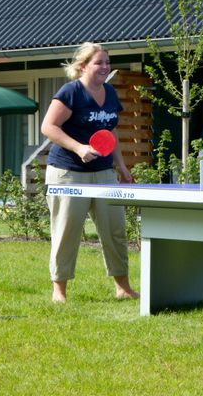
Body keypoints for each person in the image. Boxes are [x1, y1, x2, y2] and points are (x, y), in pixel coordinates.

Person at [41, 42, 138, 303]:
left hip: (104, 173)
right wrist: (79, 147)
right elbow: (48, 127)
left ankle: (123, 288)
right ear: (83, 66)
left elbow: (110, 131)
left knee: (115, 231)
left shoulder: (110, 92)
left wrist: (122, 167)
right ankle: (59, 291)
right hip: (68, 172)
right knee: (66, 232)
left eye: (107, 62)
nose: (105, 67)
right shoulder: (70, 92)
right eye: (99, 63)